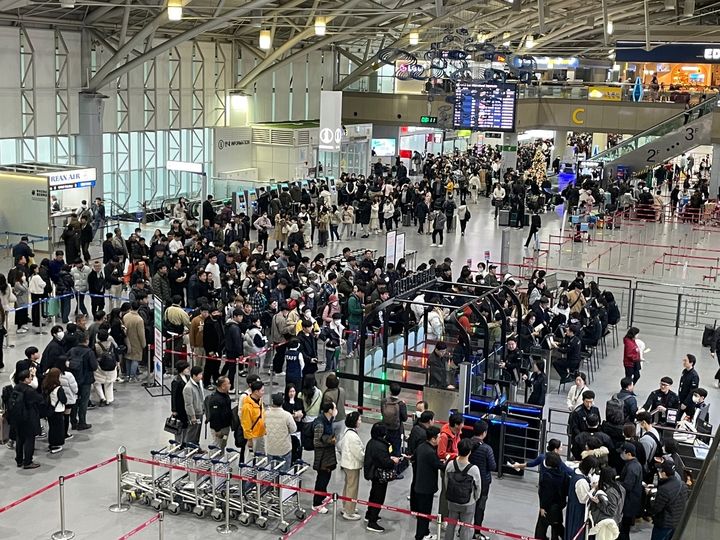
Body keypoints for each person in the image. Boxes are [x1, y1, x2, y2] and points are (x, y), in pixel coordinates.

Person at [363, 422, 401, 532]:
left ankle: (369, 514)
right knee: (378, 497)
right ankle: (372, 521)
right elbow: (385, 462)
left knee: (373, 494)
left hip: (373, 473)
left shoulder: (373, 442)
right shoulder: (380, 446)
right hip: (378, 475)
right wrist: (393, 461)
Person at [444, 438, 482, 540]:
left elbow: (446, 482)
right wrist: (475, 498)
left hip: (452, 500)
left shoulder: (450, 464)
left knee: (450, 525)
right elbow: (478, 487)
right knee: (466, 527)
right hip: (468, 502)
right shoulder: (474, 469)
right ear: (470, 452)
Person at [7, 370, 44, 468]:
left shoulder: (16, 387)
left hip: (18, 418)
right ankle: (28, 461)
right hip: (28, 418)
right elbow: (40, 400)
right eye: (30, 376)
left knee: (20, 439)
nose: (31, 378)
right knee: (29, 440)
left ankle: (19, 459)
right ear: (26, 379)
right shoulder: (29, 390)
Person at [413, 425, 443, 540]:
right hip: (426, 487)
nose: (440, 439)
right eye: (439, 437)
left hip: (419, 484)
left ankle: (425, 531)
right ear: (433, 439)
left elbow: (414, 457)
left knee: (423, 512)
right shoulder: (430, 452)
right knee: (424, 513)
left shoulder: (421, 447)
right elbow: (439, 465)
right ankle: (421, 535)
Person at [649, 461, 689, 540]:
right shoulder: (683, 485)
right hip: (676, 522)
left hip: (664, 523)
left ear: (664, 473)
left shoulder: (664, 489)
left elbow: (656, 508)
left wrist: (651, 496)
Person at [469, 420, 496, 537]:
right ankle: (477, 532)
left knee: (467, 505)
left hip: (467, 479)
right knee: (480, 507)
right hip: (483, 481)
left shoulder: (466, 444)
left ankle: (462, 529)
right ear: (484, 433)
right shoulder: (487, 449)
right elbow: (493, 466)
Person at [534, 451, 569, 540]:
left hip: (548, 507)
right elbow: (566, 490)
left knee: (540, 530)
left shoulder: (547, 476)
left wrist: (542, 507)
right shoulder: (564, 474)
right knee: (556, 527)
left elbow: (546, 494)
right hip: (559, 506)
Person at [67, 331, 97, 431]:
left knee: (74, 401)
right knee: (84, 402)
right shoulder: (89, 352)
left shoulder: (72, 350)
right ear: (87, 340)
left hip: (73, 379)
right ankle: (82, 422)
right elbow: (94, 366)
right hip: (86, 380)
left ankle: (73, 422)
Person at [564, 456, 599, 540]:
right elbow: (583, 499)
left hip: (573, 506)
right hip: (579, 510)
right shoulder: (581, 481)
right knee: (577, 531)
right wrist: (594, 489)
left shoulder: (576, 472)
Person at [312, 401, 338, 513]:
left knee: (326, 477)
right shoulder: (320, 424)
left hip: (328, 456)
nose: (336, 410)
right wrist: (330, 442)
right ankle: (316, 503)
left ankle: (323, 496)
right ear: (330, 410)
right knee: (321, 479)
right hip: (322, 457)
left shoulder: (329, 420)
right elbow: (316, 442)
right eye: (335, 408)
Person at [339, 411, 364, 521]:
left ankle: (346, 506)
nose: (360, 421)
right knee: (352, 488)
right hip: (352, 465)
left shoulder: (347, 432)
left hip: (347, 463)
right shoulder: (352, 436)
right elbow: (358, 454)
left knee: (348, 486)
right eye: (359, 419)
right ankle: (349, 512)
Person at [588, 466, 625, 539]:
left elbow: (611, 511)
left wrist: (598, 503)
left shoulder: (610, 492)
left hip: (607, 524)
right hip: (615, 521)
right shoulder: (620, 487)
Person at [618, 443, 643, 540]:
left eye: (623, 452)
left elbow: (627, 486)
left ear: (628, 454)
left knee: (623, 530)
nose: (621, 455)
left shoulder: (632, 468)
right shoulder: (635, 464)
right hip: (632, 502)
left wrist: (616, 483)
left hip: (628, 503)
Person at [264, 392, 296, 470]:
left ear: (272, 402)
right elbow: (293, 429)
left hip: (270, 448)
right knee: (283, 475)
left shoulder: (265, 414)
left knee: (271, 474)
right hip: (284, 449)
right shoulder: (287, 415)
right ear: (282, 402)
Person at [380, 381, 408, 463]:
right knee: (396, 448)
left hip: (385, 428)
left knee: (385, 446)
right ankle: (395, 469)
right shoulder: (401, 404)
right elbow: (405, 418)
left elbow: (382, 412)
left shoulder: (384, 401)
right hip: (397, 429)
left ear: (390, 391)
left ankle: (385, 464)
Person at [42, 367, 67, 454]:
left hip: (50, 410)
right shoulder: (59, 389)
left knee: (52, 428)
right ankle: (57, 444)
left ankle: (51, 443)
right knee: (59, 429)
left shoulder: (46, 386)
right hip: (58, 410)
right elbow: (64, 400)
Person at [207, 376, 233, 450]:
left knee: (223, 444)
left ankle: (220, 457)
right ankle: (215, 460)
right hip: (219, 429)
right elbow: (214, 415)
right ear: (223, 386)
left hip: (225, 427)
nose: (230, 385)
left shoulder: (225, 395)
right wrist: (217, 430)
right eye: (228, 383)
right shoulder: (215, 399)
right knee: (217, 446)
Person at [241, 379, 266, 454]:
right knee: (250, 457)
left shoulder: (260, 400)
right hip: (253, 436)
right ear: (256, 392)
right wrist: (249, 440)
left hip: (260, 433)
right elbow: (246, 425)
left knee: (261, 455)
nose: (263, 392)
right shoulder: (247, 407)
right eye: (262, 390)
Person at [182, 366, 205, 445]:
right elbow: (188, 404)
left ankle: (196, 446)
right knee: (192, 432)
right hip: (194, 413)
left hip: (200, 411)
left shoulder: (200, 382)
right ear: (194, 376)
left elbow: (202, 395)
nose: (201, 376)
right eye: (200, 374)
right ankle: (189, 448)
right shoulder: (188, 388)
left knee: (197, 432)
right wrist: (192, 416)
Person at [170, 360, 191, 443]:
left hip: (186, 405)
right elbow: (173, 396)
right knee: (178, 425)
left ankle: (184, 442)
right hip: (179, 406)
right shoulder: (176, 381)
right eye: (186, 368)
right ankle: (178, 443)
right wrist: (174, 409)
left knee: (186, 424)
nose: (188, 369)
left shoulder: (188, 378)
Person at [322, 373, 346, 441]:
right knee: (338, 439)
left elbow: (326, 409)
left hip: (332, 420)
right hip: (341, 418)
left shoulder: (327, 394)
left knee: (329, 440)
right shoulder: (342, 390)